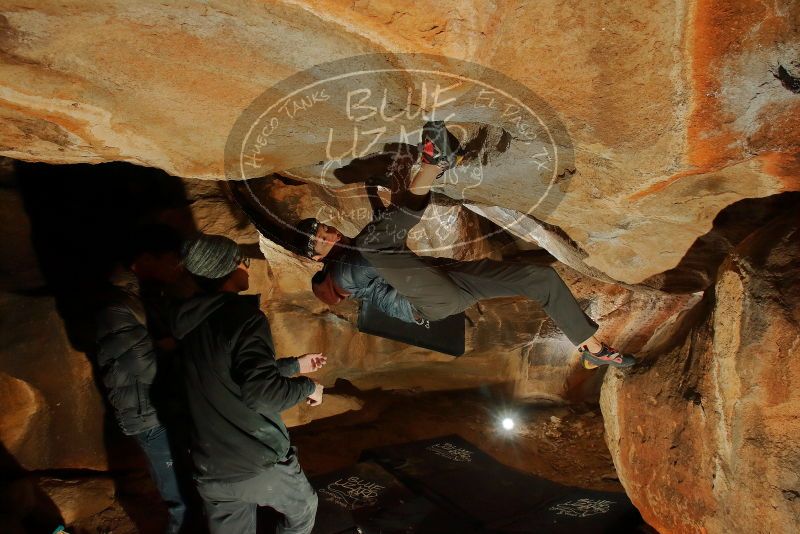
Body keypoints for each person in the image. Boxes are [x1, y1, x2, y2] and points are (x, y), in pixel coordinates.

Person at [297, 121, 635, 368]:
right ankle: (435, 162)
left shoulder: (359, 247)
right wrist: (394, 182)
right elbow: (377, 246)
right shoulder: (341, 274)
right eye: (318, 240)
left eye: (322, 228)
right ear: (316, 256)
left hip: (449, 280)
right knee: (375, 244)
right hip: (428, 302)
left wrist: (384, 188)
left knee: (540, 279)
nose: (326, 234)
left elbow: (386, 231)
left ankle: (591, 346)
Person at [171, 233, 325, 534]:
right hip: (255, 464)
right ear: (227, 270)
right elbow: (262, 395)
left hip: (210, 468)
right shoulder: (244, 318)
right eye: (241, 261)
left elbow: (229, 375)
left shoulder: (188, 324)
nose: (247, 266)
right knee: (304, 509)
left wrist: (294, 365)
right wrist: (309, 386)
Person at [94, 224, 191, 534]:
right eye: (173, 259)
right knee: (181, 500)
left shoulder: (144, 297)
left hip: (161, 407)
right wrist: (171, 346)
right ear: (147, 258)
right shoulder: (117, 306)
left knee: (187, 492)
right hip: (147, 415)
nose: (179, 266)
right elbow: (146, 366)